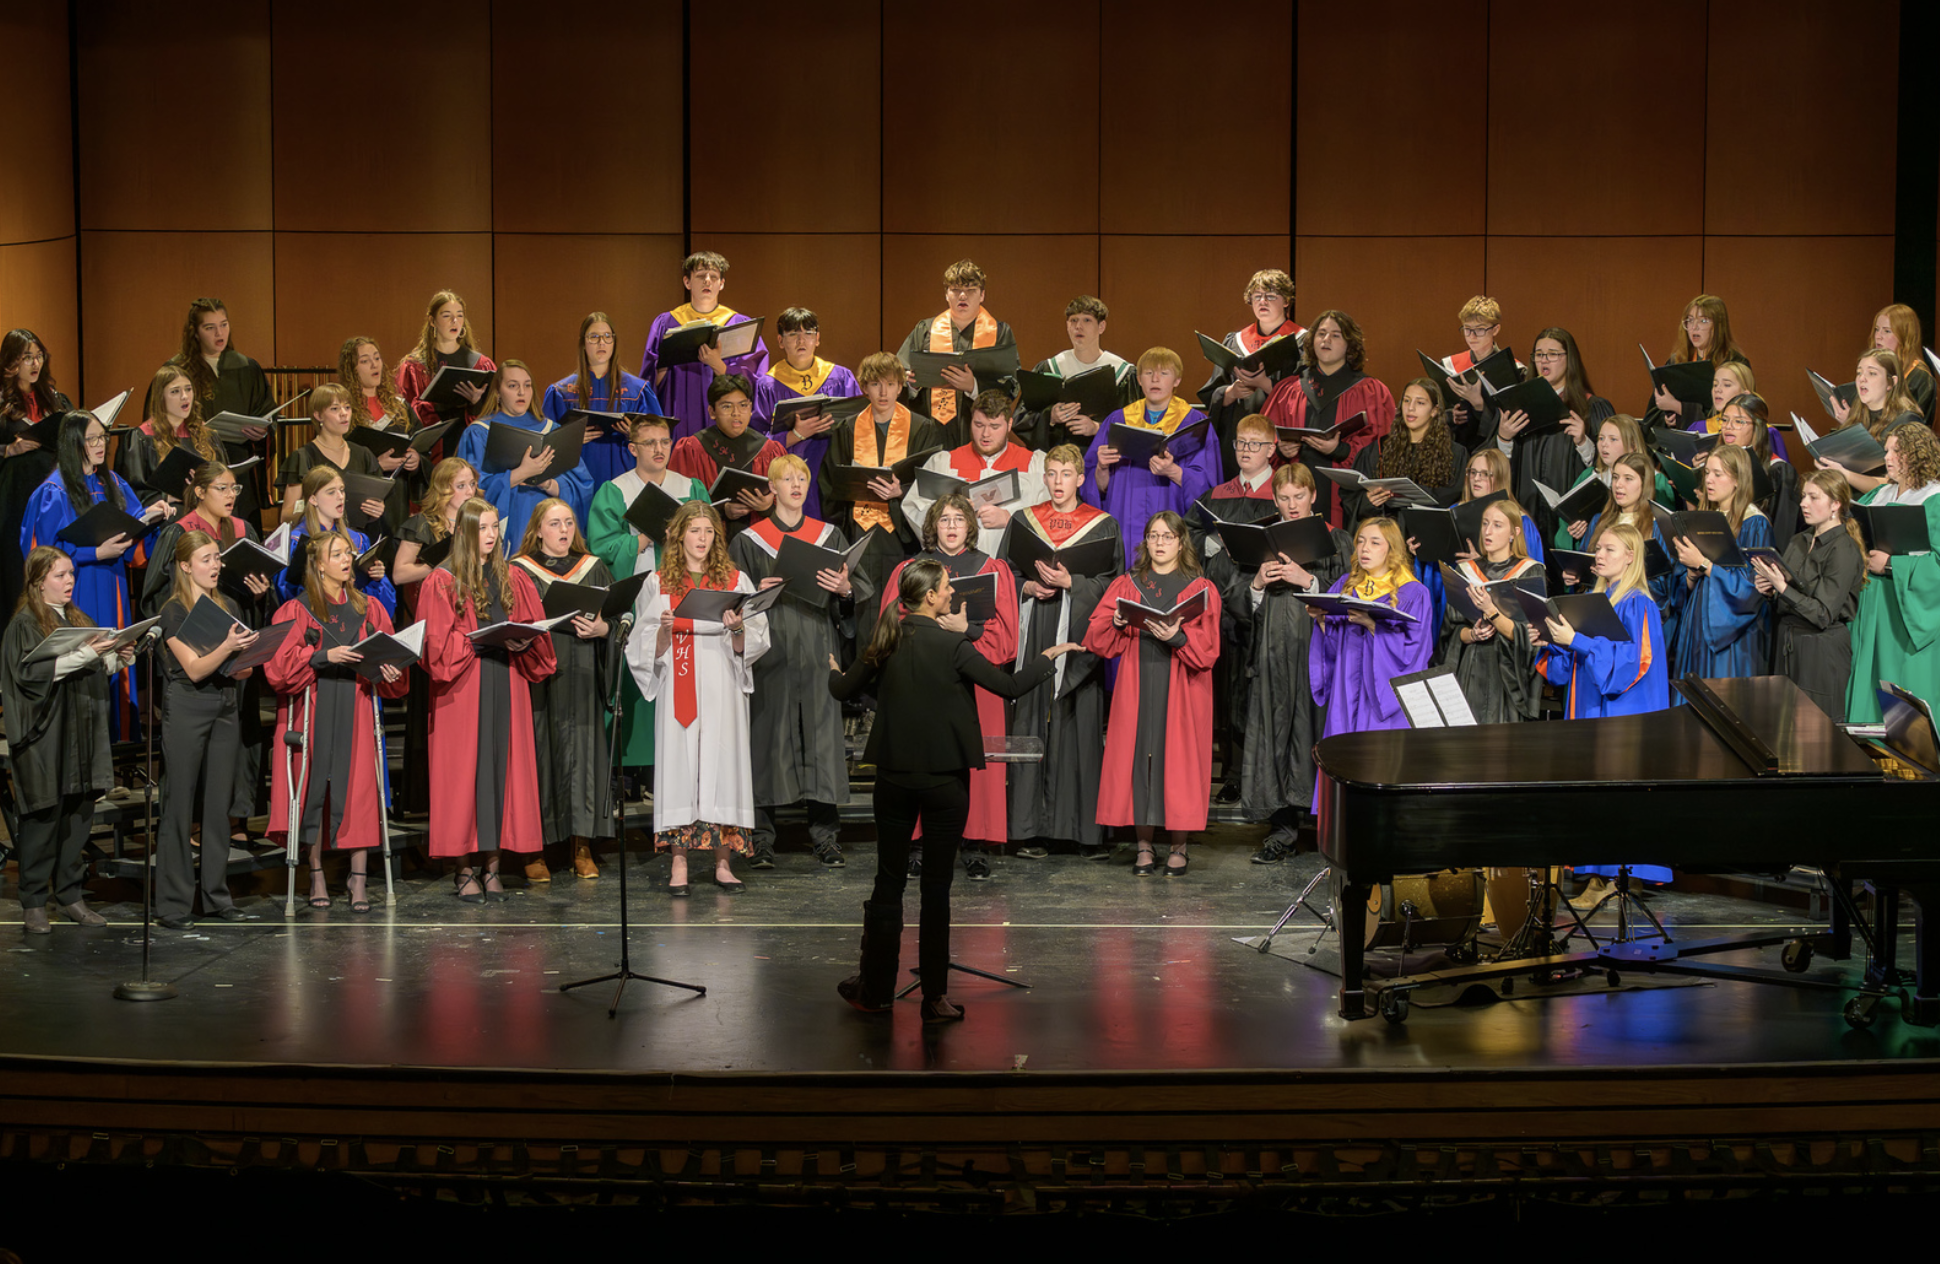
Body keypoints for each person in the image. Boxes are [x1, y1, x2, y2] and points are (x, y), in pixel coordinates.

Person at [827, 558, 1080, 1022]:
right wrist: (1047, 658)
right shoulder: (955, 645)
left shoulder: (885, 641)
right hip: (945, 783)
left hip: (894, 782)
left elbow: (843, 689)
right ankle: (935, 997)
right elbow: (1007, 686)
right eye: (946, 588)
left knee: (888, 882)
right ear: (930, 597)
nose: (951, 594)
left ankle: (876, 987)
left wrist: (830, 669)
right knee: (936, 890)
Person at [729, 454, 869, 869]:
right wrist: (757, 589)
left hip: (815, 645)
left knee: (823, 740)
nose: (795, 485)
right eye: (786, 479)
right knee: (768, 738)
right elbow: (734, 598)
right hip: (770, 649)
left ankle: (825, 837)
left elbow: (855, 590)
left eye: (802, 478)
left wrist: (844, 588)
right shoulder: (749, 540)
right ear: (771, 488)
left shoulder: (829, 535)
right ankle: (761, 839)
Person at [626, 501, 771, 896]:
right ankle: (678, 862)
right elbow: (640, 645)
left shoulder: (736, 580)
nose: (702, 539)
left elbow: (756, 639)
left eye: (709, 531)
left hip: (723, 682)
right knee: (681, 768)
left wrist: (739, 630)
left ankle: (724, 863)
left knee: (723, 765)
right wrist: (663, 632)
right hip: (680, 685)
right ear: (678, 535)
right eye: (695, 531)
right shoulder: (658, 583)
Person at [263, 530, 412, 913]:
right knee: (313, 786)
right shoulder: (296, 611)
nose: (347, 560)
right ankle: (315, 873)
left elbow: (390, 655)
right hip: (314, 706)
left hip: (358, 707)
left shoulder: (369, 608)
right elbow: (277, 668)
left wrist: (391, 671)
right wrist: (322, 656)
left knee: (361, 788)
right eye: (337, 554)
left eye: (349, 553)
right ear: (318, 564)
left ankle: (358, 877)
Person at [421, 497, 558, 901]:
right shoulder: (442, 580)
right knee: (463, 778)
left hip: (507, 682)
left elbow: (538, 636)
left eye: (494, 527)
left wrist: (523, 640)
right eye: (481, 528)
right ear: (463, 532)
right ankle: (463, 869)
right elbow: (436, 649)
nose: (490, 536)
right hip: (463, 689)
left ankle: (493, 866)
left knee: (502, 772)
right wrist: (473, 642)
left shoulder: (513, 577)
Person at [1531, 522, 1671, 904]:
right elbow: (1569, 667)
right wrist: (1553, 642)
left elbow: (1631, 663)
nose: (1599, 555)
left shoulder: (1638, 603)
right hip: (1590, 707)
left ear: (1630, 556)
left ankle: (1622, 879)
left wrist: (1575, 639)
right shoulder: (1595, 603)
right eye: (1598, 549)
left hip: (1624, 713)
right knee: (1592, 788)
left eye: (1609, 549)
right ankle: (1596, 875)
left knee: (1619, 789)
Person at [881, 495, 1020, 879]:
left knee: (976, 764)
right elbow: (889, 627)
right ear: (933, 527)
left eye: (959, 519)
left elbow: (1006, 640)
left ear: (971, 526)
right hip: (921, 679)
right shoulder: (909, 569)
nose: (952, 526)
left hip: (976, 680)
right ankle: (918, 844)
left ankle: (975, 845)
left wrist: (967, 629)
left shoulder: (993, 570)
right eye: (944, 520)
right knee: (921, 760)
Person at [141, 462, 276, 854]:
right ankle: (192, 822)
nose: (232, 496)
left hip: (235, 645)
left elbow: (257, 590)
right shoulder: (179, 533)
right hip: (192, 651)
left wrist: (259, 591)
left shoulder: (242, 530)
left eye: (235, 488)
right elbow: (155, 594)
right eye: (222, 488)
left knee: (239, 734)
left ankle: (233, 817)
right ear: (200, 491)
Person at [1084, 510, 1222, 878]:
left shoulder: (1200, 587)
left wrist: (1177, 636)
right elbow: (1096, 636)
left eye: (1167, 537)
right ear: (1145, 541)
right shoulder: (1128, 584)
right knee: (1140, 758)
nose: (1160, 543)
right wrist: (1115, 621)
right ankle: (1144, 846)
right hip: (1137, 679)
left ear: (1181, 542)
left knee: (1178, 762)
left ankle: (1179, 847)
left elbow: (1208, 649)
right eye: (1154, 536)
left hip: (1183, 684)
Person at [0, 547, 127, 932]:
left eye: (71, 573)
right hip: (45, 735)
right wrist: (88, 652)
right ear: (38, 583)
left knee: (78, 814)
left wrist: (118, 655)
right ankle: (35, 901)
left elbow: (92, 669)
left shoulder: (76, 617)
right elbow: (31, 676)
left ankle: (71, 895)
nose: (70, 580)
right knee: (43, 817)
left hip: (81, 733)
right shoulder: (24, 625)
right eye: (60, 575)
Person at [1007, 444, 1123, 860]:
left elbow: (1115, 588)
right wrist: (1028, 586)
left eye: (1066, 474)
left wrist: (1074, 582)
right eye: (1052, 474)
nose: (1058, 482)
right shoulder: (1025, 521)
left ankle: (1081, 831)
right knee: (1031, 718)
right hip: (1036, 624)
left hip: (1080, 636)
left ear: (1080, 478)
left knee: (1079, 723)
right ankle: (1029, 828)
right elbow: (1006, 574)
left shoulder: (1103, 525)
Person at [21, 410, 168, 737]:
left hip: (112, 582)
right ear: (74, 444)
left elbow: (136, 542)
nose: (101, 445)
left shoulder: (113, 483)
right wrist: (93, 553)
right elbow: (42, 555)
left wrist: (153, 520)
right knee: (85, 658)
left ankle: (117, 748)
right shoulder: (53, 492)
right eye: (92, 439)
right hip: (76, 589)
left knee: (115, 655)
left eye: (103, 437)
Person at [1236, 463, 1349, 864]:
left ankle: (1325, 829)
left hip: (1319, 655)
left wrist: (1310, 582)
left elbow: (1352, 593)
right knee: (1276, 735)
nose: (1291, 504)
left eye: (1298, 496)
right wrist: (1257, 585)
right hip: (1272, 655)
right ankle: (1281, 832)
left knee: (1315, 736)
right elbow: (1236, 602)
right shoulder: (1263, 539)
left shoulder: (1335, 540)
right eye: (1283, 497)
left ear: (1313, 496)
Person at [586, 413, 710, 773]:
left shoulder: (690, 488)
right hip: (641, 595)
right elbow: (602, 548)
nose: (659, 449)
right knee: (642, 665)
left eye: (664, 442)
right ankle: (634, 767)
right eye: (650, 443)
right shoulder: (616, 490)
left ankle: (680, 762)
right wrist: (643, 537)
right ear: (632, 448)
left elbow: (709, 534)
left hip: (685, 592)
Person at [152, 530, 261, 928]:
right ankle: (173, 904)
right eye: (206, 559)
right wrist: (228, 650)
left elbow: (238, 665)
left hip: (225, 705)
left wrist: (248, 657)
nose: (215, 566)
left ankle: (216, 896)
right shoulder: (173, 611)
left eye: (217, 558)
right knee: (180, 806)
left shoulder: (229, 604)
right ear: (185, 566)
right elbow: (195, 669)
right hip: (187, 706)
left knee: (218, 806)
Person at [512, 499, 617, 883]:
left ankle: (582, 846)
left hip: (585, 669)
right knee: (538, 755)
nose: (563, 530)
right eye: (554, 523)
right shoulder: (518, 571)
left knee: (586, 755)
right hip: (540, 674)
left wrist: (604, 630)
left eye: (569, 522)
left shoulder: (594, 567)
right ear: (537, 529)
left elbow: (617, 617)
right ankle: (533, 850)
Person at [821, 352, 948, 643]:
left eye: (890, 384)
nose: (883, 392)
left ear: (900, 387)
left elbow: (931, 483)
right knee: (863, 607)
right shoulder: (847, 429)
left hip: (900, 535)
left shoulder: (921, 428)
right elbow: (829, 482)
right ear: (864, 387)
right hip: (858, 532)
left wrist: (900, 492)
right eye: (875, 384)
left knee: (899, 606)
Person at [1190, 413, 1283, 804]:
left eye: (1254, 444)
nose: (1245, 450)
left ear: (1272, 449)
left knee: (1254, 690)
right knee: (1226, 691)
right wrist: (1211, 544)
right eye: (1240, 443)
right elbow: (1191, 532)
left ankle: (1256, 773)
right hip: (1220, 605)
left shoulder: (1283, 492)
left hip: (1262, 604)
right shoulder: (1219, 494)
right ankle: (1230, 772)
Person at [393, 456, 479, 817]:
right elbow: (399, 573)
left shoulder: (475, 524)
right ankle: (423, 800)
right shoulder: (422, 524)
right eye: (462, 485)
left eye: (472, 484)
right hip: (430, 631)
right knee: (427, 714)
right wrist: (438, 563)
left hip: (467, 629)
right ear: (444, 489)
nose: (469, 491)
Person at [1084, 346, 1220, 565]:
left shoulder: (1194, 425)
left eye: (1164, 373)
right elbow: (1094, 487)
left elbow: (1208, 489)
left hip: (1172, 524)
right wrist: (1100, 468)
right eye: (1148, 373)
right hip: (1124, 526)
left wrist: (1174, 472)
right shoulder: (1117, 421)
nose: (1155, 379)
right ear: (1139, 379)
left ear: (1177, 380)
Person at [1308, 516, 1435, 746]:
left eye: (1375, 542)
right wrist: (1322, 621)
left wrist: (1374, 626)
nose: (1365, 548)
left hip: (1382, 699)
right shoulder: (1346, 585)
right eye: (1361, 541)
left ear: (1392, 549)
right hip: (1345, 691)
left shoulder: (1414, 594)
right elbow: (1333, 646)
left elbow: (1415, 653)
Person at [1844, 422, 1940, 724]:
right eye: (1886, 451)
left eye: (1896, 451)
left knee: (1901, 687)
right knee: (1867, 682)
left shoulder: (1934, 500)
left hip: (1905, 612)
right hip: (1871, 603)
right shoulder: (1879, 496)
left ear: (1917, 454)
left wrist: (1890, 565)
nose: (1888, 457)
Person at [1262, 311, 1394, 527]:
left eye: (1335, 335)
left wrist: (1340, 450)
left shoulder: (1371, 391)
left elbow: (1380, 446)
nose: (1326, 340)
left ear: (1350, 345)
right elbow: (1263, 437)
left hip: (1345, 500)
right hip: (1294, 492)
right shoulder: (1288, 389)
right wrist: (1279, 449)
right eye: (1321, 333)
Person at [1753, 470, 1866, 722]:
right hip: (1786, 643)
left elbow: (1823, 614)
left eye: (1814, 497)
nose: (1804, 503)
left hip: (1820, 650)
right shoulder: (1799, 541)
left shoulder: (1844, 549)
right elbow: (1786, 594)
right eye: (1804, 496)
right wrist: (1769, 590)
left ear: (1835, 504)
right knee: (1781, 728)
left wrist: (1782, 588)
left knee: (1816, 736)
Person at [456, 359, 592, 547]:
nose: (521, 392)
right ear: (497, 393)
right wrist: (521, 474)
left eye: (527, 385)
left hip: (549, 527)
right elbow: (469, 493)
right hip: (508, 526)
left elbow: (583, 486)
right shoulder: (479, 433)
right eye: (513, 386)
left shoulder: (554, 430)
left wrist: (548, 483)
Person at [638, 251, 770, 441]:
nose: (707, 281)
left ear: (721, 284)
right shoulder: (666, 323)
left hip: (722, 415)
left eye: (713, 277)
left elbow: (755, 382)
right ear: (687, 282)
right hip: (678, 407)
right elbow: (649, 380)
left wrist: (719, 365)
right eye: (700, 276)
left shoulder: (739, 324)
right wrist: (663, 366)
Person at [1668, 444, 1770, 687]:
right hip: (1697, 620)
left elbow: (1754, 588)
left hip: (1732, 631)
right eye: (1707, 474)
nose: (1709, 481)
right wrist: (1692, 573)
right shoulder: (1703, 519)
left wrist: (1704, 565)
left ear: (1737, 480)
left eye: (1718, 474)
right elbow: (1683, 581)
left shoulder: (1754, 523)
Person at [1495, 327, 1609, 545]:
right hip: (1526, 516)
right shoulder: (1519, 409)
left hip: (1571, 524)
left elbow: (1610, 468)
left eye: (1553, 354)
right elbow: (1500, 469)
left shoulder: (1590, 407)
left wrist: (1584, 443)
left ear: (1570, 359)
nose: (1544, 360)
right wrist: (1504, 439)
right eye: (1539, 354)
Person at [901, 388, 1046, 557]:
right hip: (957, 565)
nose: (985, 434)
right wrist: (952, 515)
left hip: (1015, 567)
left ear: (1009, 425)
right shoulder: (944, 463)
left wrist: (1012, 521)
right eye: (979, 425)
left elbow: (1051, 517)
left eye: (994, 426)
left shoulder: (1035, 465)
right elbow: (915, 508)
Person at [165, 298, 274, 520]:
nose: (219, 333)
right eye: (210, 327)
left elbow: (267, 411)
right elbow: (160, 419)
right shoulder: (176, 371)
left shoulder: (246, 367)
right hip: (198, 467)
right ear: (195, 332)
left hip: (239, 466)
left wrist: (263, 432)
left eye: (223, 324)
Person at [1441, 499, 1545, 725]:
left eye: (1497, 525)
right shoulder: (1466, 571)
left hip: (1507, 674)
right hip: (1471, 668)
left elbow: (1531, 636)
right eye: (1485, 523)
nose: (1488, 531)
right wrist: (1472, 635)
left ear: (1514, 532)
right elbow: (1451, 630)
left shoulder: (1530, 572)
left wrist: (1491, 611)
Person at [895, 258, 1017, 447]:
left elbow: (1012, 382)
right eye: (956, 290)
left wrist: (974, 386)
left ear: (982, 295)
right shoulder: (925, 330)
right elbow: (898, 374)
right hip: (932, 430)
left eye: (971, 290)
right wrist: (912, 384)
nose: (963, 296)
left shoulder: (1000, 333)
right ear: (946, 294)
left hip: (981, 431)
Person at [753, 307, 857, 520]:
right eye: (793, 334)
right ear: (780, 341)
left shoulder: (841, 377)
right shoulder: (768, 385)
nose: (802, 340)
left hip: (834, 470)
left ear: (817, 339)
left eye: (808, 334)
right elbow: (757, 442)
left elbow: (861, 424)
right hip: (791, 473)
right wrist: (796, 434)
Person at [1200, 271, 1305, 478]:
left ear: (1286, 301)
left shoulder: (1301, 342)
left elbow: (1306, 400)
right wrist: (1231, 392)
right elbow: (1214, 390)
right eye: (1257, 296)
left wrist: (1266, 385)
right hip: (1238, 439)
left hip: (1281, 443)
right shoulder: (1235, 341)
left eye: (1271, 296)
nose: (1262, 301)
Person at [542, 311, 662, 486]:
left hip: (626, 478)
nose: (601, 342)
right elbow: (544, 445)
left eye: (607, 336)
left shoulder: (638, 390)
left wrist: (636, 435)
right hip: (578, 480)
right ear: (583, 343)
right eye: (594, 337)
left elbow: (660, 440)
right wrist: (570, 440)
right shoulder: (561, 393)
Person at [0, 330, 71, 618]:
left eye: (39, 356)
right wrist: (8, 450)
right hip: (15, 500)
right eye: (26, 357)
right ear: (10, 361)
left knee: (55, 568)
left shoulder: (56, 400)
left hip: (54, 497)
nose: (34, 363)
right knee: (20, 575)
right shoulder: (3, 403)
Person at [1017, 295, 1138, 453]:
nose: (1078, 326)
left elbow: (1137, 428)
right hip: (1059, 462)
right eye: (1073, 320)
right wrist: (1050, 417)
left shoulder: (1124, 374)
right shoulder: (1049, 368)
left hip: (1104, 464)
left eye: (1087, 320)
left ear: (1101, 327)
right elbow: (1021, 419)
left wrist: (1098, 428)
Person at [668, 373, 784, 537]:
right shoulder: (692, 449)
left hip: (759, 545)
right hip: (709, 545)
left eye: (743, 405)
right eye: (726, 406)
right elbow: (678, 507)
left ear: (751, 409)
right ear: (712, 411)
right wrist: (721, 511)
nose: (736, 413)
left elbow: (789, 509)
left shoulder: (770, 451)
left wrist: (767, 508)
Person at [275, 464, 396, 616]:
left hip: (354, 619)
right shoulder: (295, 541)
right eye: (331, 492)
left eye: (342, 490)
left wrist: (376, 577)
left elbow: (383, 606)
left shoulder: (358, 539)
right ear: (313, 499)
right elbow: (286, 595)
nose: (340, 496)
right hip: (318, 622)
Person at [277, 382, 391, 536]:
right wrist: (318, 510)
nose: (344, 413)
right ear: (318, 415)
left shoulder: (363, 454)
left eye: (347, 407)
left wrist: (377, 508)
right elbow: (286, 516)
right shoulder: (303, 457)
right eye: (335, 409)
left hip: (358, 540)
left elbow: (376, 500)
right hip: (320, 541)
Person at [1574, 453, 1675, 614]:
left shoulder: (1658, 527)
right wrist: (1576, 574)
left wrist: (1620, 574)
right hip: (1599, 609)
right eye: (1615, 477)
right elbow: (1585, 563)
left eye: (1628, 479)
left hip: (1635, 612)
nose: (1618, 485)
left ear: (1645, 484)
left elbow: (1666, 586)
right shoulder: (1598, 521)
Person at [1554, 415, 1673, 550]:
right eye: (1601, 438)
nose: (1604, 444)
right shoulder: (1589, 475)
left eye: (1613, 439)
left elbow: (1665, 530)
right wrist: (1575, 530)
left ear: (1632, 445)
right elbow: (1567, 519)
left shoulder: (1655, 480)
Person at [340, 336, 423, 526]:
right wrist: (376, 466)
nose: (374, 365)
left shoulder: (400, 407)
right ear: (351, 369)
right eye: (364, 361)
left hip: (397, 500)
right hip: (361, 504)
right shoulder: (343, 412)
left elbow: (421, 445)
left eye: (376, 358)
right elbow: (333, 463)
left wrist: (416, 461)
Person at [1823, 350, 1925, 500]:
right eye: (1859, 373)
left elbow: (1900, 485)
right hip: (1850, 500)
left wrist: (1846, 474)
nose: (1862, 379)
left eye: (1872, 373)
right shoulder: (1857, 416)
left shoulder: (1907, 422)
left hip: (1883, 507)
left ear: (1892, 382)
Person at [116, 364, 221, 508]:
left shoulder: (207, 435)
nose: (185, 396)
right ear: (161, 398)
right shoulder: (141, 439)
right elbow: (129, 492)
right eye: (175, 391)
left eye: (188, 389)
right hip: (166, 518)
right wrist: (166, 497)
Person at [1707, 392, 1801, 549]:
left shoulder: (1778, 470)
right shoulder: (1714, 465)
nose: (1728, 426)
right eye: (1725, 420)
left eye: (1739, 421)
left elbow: (1783, 531)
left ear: (1757, 427)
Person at [396, 289, 495, 429]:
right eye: (446, 315)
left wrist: (477, 403)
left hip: (468, 439)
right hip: (432, 444)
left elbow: (496, 411)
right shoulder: (414, 366)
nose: (454, 321)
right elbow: (404, 412)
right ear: (432, 321)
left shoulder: (481, 364)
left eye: (459, 316)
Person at [1652, 294, 1748, 431]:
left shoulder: (1735, 363)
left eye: (1703, 321)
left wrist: (1679, 407)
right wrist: (1668, 415)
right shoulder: (1676, 361)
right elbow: (1654, 413)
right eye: (1690, 321)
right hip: (1680, 441)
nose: (1694, 328)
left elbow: (1741, 412)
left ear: (1718, 326)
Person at [1438, 296, 1522, 451]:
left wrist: (1479, 405)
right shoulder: (1452, 364)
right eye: (1467, 329)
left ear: (1495, 329)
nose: (1472, 336)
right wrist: (1452, 415)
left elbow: (1516, 422)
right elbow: (1441, 409)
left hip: (1495, 452)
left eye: (1480, 330)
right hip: (1459, 448)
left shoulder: (1515, 370)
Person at [1868, 303, 1935, 420]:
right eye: (1877, 330)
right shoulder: (1877, 369)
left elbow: (1913, 427)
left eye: (1887, 331)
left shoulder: (1920, 377)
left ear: (1904, 336)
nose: (1878, 336)